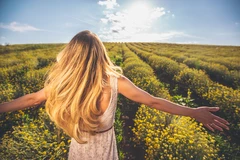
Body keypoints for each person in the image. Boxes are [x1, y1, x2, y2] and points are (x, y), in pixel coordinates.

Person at [0, 30, 230, 160]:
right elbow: (153, 101)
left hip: (79, 150)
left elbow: (32, 99)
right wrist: (194, 112)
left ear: (71, 55)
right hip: (105, 151)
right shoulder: (116, 82)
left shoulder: (64, 83)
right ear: (100, 53)